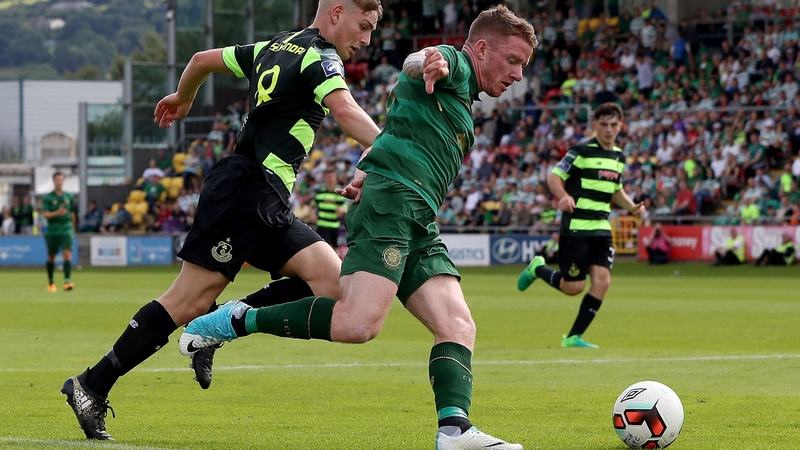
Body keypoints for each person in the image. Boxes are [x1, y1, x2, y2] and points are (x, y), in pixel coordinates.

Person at [180, 6, 537, 449]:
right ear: (482, 48)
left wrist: (372, 166)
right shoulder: (454, 64)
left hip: (417, 214)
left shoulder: (459, 99)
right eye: (514, 61)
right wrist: (431, 59)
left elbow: (401, 131)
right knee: (358, 324)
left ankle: (454, 432)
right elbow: (419, 61)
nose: (519, 75)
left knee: (458, 324)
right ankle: (235, 319)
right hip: (392, 208)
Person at [60, 0, 383, 440]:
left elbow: (200, 60)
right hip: (246, 190)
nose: (366, 40)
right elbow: (345, 112)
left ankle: (218, 325)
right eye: (363, 26)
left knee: (331, 282)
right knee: (187, 300)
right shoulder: (320, 55)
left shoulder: (274, 45)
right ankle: (90, 385)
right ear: (336, 11)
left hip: (265, 196)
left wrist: (183, 96)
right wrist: (391, 151)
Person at [517, 103, 645, 349]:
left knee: (602, 281)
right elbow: (554, 176)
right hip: (576, 226)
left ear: (620, 126)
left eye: (613, 125)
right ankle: (538, 269)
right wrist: (563, 196)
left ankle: (574, 337)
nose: (609, 129)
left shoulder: (618, 156)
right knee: (573, 287)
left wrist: (631, 207)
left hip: (601, 228)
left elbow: (615, 190)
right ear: (595, 125)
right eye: (604, 124)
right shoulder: (581, 150)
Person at [42, 172, 77, 292]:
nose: (59, 182)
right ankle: (51, 281)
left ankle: (67, 281)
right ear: (54, 181)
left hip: (66, 229)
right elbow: (45, 214)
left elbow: (72, 213)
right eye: (57, 179)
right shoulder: (48, 197)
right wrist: (56, 213)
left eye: (61, 179)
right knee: (51, 256)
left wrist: (73, 228)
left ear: (64, 181)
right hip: (52, 230)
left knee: (67, 254)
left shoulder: (69, 196)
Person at [311, 166, 346, 247]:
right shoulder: (320, 192)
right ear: (325, 178)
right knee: (327, 247)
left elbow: (343, 208)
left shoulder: (339, 193)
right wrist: (312, 214)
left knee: (335, 248)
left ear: (335, 177)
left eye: (332, 176)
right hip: (322, 224)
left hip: (334, 225)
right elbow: (313, 205)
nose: (330, 178)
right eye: (328, 176)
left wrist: (342, 211)